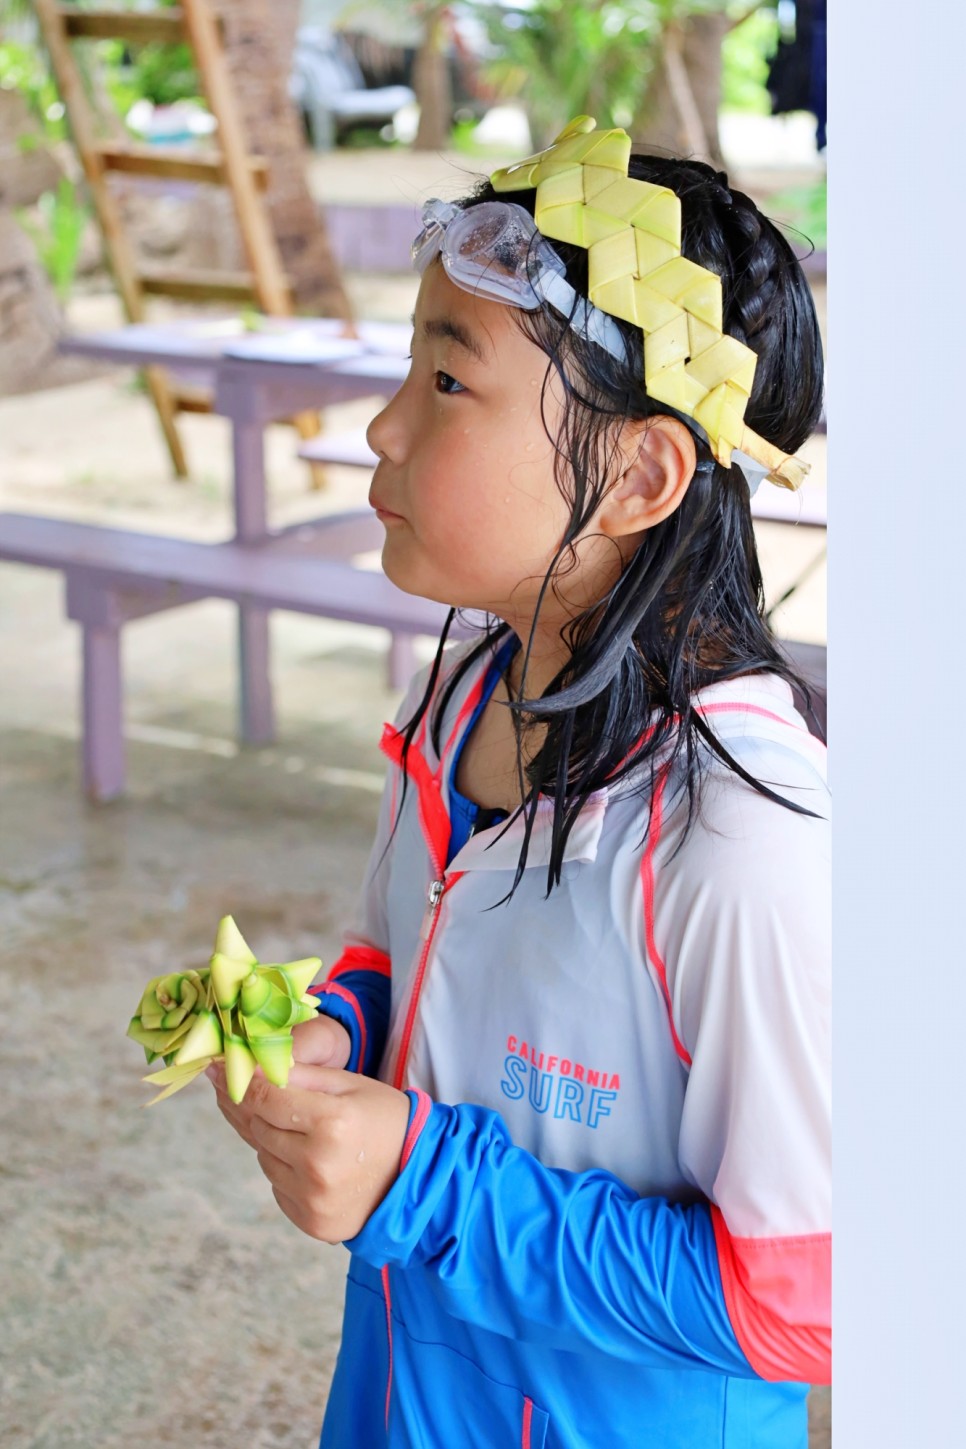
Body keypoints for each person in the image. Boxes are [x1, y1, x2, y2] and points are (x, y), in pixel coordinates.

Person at [208, 116, 830, 1449]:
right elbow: (404, 947)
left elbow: (806, 1300)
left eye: (446, 382)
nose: (378, 425)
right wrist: (333, 1026)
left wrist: (421, 1181)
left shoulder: (740, 843)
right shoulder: (454, 710)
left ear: (636, 474)